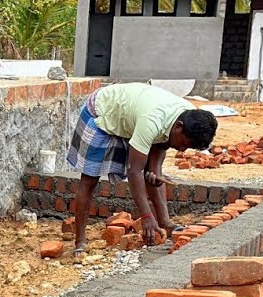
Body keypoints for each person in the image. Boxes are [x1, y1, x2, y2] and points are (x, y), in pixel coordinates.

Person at [66, 82, 218, 255]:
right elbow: (134, 171)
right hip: (102, 111)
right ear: (179, 127)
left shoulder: (187, 114)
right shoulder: (151, 121)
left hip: (133, 115)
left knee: (153, 175)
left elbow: (153, 170)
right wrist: (146, 217)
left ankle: (165, 223)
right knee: (89, 180)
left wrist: (153, 175)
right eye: (183, 143)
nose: (182, 150)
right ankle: (80, 241)